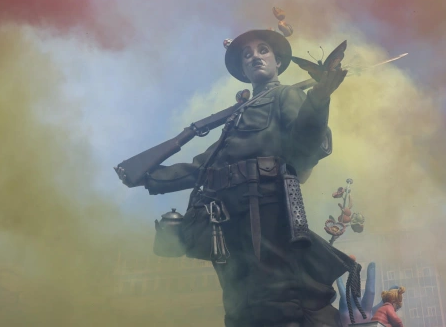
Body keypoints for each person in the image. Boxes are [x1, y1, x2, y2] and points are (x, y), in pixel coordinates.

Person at [144, 29, 353, 327]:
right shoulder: (236, 116)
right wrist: (150, 178)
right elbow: (203, 166)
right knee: (239, 304)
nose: (255, 56)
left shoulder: (286, 95)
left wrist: (318, 100)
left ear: (278, 62)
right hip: (228, 219)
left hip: (266, 209)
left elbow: (303, 146)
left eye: (263, 50)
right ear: (243, 69)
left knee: (279, 298)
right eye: (247, 54)